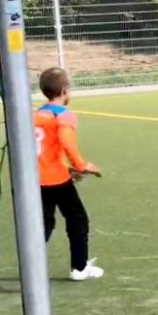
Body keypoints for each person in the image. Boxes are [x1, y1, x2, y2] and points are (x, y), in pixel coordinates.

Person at [34, 67, 103, 281]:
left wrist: (66, 168)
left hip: (35, 179)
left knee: (44, 223)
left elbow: (43, 152)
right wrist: (81, 165)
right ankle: (79, 268)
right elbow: (66, 142)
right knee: (77, 219)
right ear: (65, 90)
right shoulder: (64, 115)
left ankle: (31, 267)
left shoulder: (35, 114)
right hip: (56, 179)